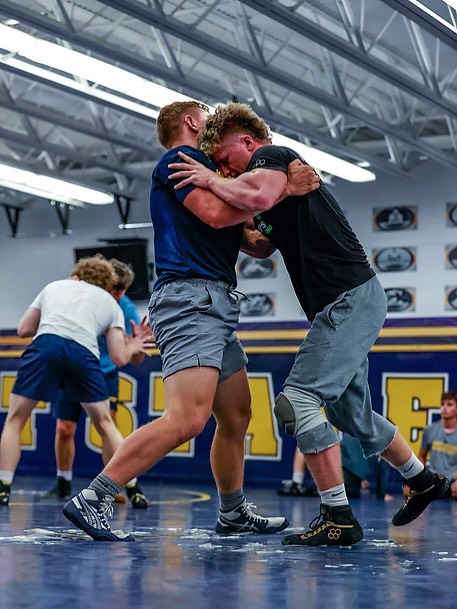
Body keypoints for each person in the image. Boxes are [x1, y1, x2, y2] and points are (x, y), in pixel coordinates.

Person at [167, 101, 450, 547]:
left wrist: (206, 179)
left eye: (224, 159)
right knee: (349, 412)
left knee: (296, 401)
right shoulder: (270, 186)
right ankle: (424, 479)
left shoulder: (271, 157)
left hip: (348, 300)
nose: (223, 170)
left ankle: (338, 515)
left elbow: (258, 196)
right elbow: (261, 244)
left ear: (247, 142)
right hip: (345, 304)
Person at [62, 100, 319, 541]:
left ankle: (233, 512)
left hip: (215, 303)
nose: (213, 118)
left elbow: (255, 243)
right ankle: (94, 496)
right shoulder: (180, 160)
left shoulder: (212, 174)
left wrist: (275, 213)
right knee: (187, 419)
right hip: (190, 299)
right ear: (189, 120)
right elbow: (217, 215)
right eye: (206, 112)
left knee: (237, 414)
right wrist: (281, 191)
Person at [0, 255, 152, 507]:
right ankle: (133, 487)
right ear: (108, 283)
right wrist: (134, 344)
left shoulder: (54, 286)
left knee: (16, 418)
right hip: (83, 355)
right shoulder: (110, 302)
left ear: (77, 274)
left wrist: (54, 320)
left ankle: (3, 487)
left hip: (48, 346)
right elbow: (120, 357)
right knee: (103, 423)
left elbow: (24, 329)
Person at [46, 259, 150, 509]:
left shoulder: (124, 308)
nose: (118, 295)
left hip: (104, 372)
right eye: (115, 289)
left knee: (107, 426)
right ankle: (63, 481)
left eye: (122, 291)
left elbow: (134, 359)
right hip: (74, 367)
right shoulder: (85, 299)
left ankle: (123, 484)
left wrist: (136, 344)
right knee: (64, 427)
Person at [409, 391, 457, 499]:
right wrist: (418, 478)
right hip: (433, 478)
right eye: (442, 404)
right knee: (408, 491)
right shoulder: (429, 430)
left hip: (453, 480)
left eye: (449, 404)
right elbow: (422, 456)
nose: (444, 407)